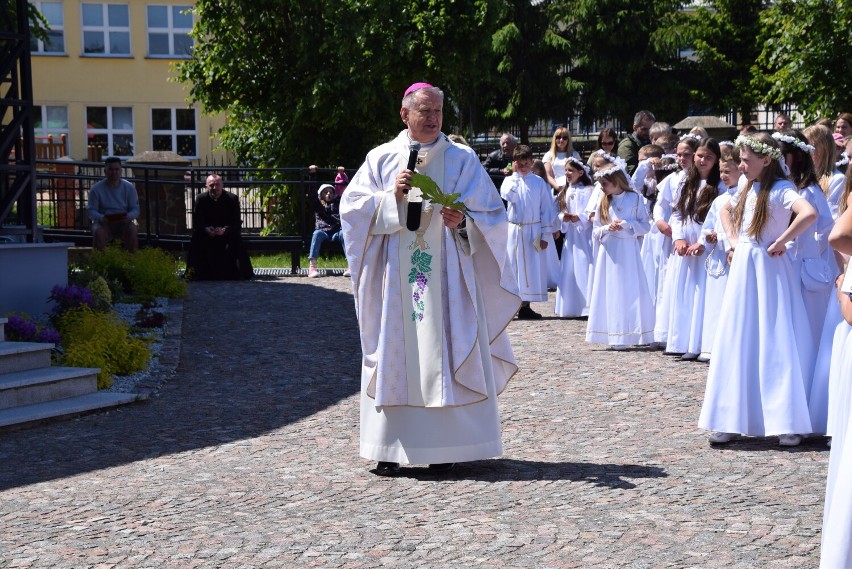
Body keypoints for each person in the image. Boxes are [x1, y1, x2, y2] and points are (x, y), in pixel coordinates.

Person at [339, 82, 521, 476]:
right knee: (396, 350)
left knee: (446, 348)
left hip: (447, 279)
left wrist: (463, 223)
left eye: (438, 111)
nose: (434, 118)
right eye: (425, 111)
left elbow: (491, 216)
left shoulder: (462, 159)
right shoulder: (382, 158)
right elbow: (351, 211)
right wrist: (390, 200)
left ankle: (446, 447)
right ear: (405, 114)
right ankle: (388, 447)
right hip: (396, 281)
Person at [697, 133, 817, 447]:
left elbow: (809, 213)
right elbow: (725, 209)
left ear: (766, 160)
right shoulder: (748, 187)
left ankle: (787, 420)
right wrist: (735, 240)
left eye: (746, 159)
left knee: (775, 338)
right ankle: (730, 417)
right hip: (745, 271)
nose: (741, 165)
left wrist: (781, 240)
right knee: (739, 337)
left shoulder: (781, 189)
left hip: (770, 270)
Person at [663, 138, 725, 360]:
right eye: (699, 155)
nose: (702, 160)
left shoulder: (720, 186)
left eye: (708, 157)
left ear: (716, 160)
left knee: (704, 295)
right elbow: (678, 213)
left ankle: (702, 343)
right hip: (686, 247)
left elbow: (719, 220)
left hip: (706, 249)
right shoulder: (685, 183)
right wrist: (678, 238)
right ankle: (684, 340)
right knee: (686, 294)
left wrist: (703, 242)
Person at [585, 156, 654, 350]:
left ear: (616, 181)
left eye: (604, 183)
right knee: (611, 290)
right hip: (610, 253)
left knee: (631, 290)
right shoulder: (603, 201)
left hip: (629, 253)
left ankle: (633, 333)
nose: (602, 187)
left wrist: (626, 225)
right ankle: (614, 333)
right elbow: (596, 229)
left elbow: (645, 226)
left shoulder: (634, 198)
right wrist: (607, 229)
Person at [501, 145, 552, 319]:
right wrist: (514, 177)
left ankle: (525, 305)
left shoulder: (538, 183)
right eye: (520, 163)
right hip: (515, 230)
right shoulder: (509, 181)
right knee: (514, 268)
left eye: (526, 163)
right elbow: (509, 196)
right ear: (514, 163)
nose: (523, 166)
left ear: (531, 162)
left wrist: (545, 234)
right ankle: (512, 305)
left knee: (530, 268)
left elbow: (546, 209)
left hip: (533, 229)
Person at [185, 174, 253, 280]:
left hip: (226, 234)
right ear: (206, 186)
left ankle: (238, 273)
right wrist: (206, 229)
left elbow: (236, 222)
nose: (215, 188)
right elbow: (197, 220)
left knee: (236, 237)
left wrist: (224, 230)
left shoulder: (232, 198)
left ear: (222, 186)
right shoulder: (201, 199)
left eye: (217, 185)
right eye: (211, 185)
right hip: (207, 234)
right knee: (196, 237)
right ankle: (195, 273)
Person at [554, 157, 594, 318]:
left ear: (580, 172)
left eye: (570, 170)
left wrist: (581, 218)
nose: (567, 173)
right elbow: (556, 211)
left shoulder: (589, 190)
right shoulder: (565, 190)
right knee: (570, 268)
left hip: (584, 235)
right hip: (571, 235)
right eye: (566, 170)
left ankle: (586, 306)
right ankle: (571, 306)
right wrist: (564, 217)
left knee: (584, 265)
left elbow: (591, 211)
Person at [87, 156, 139, 252]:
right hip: (103, 223)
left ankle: (132, 261)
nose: (114, 172)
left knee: (132, 230)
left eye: (116, 169)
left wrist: (129, 216)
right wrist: (101, 218)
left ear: (121, 171)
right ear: (105, 171)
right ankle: (100, 262)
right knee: (98, 232)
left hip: (124, 222)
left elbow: (135, 209)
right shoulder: (96, 189)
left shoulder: (129, 187)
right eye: (111, 169)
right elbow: (91, 211)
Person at [308, 184, 349, 278]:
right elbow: (312, 195)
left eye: (330, 192)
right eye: (326, 192)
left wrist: (341, 175)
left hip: (336, 231)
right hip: (323, 231)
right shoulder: (318, 204)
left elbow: (342, 190)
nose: (328, 194)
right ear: (321, 194)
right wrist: (312, 175)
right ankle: (312, 267)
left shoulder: (337, 202)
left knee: (344, 234)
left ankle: (350, 265)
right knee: (316, 233)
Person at [542, 127, 580, 193]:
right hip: (556, 189)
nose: (561, 140)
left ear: (568, 140)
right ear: (554, 139)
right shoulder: (548, 155)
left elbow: (579, 173)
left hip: (573, 189)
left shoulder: (575, 154)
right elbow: (548, 175)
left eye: (564, 138)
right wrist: (558, 188)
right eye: (558, 137)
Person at [617, 110, 655, 174]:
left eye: (650, 129)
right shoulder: (627, 145)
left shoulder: (651, 142)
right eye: (644, 129)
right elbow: (630, 171)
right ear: (635, 127)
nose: (648, 132)